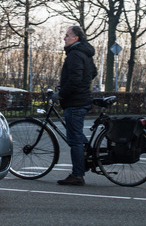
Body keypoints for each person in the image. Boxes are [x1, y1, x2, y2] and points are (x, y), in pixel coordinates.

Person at [56, 25, 97, 186]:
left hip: (75, 102)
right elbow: (93, 72)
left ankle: (77, 174)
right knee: (77, 134)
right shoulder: (85, 54)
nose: (64, 38)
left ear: (76, 38)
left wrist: (61, 94)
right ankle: (88, 157)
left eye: (67, 35)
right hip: (82, 99)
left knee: (74, 140)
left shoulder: (74, 55)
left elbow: (74, 80)